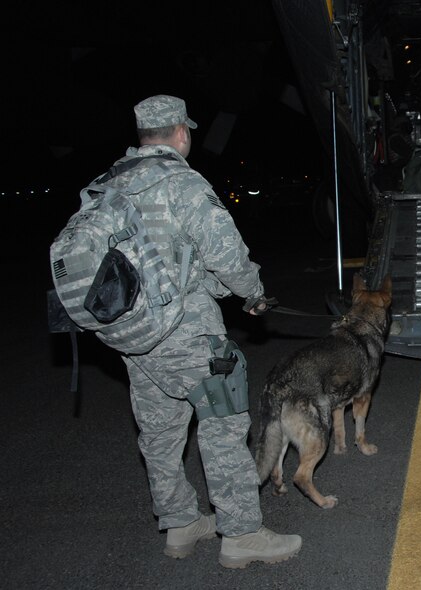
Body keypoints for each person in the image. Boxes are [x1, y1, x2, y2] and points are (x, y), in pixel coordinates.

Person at [114, 95, 302, 568]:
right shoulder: (181, 182)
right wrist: (253, 291)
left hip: (135, 337)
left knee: (159, 433)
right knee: (223, 428)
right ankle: (240, 534)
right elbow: (225, 252)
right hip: (187, 334)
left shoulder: (110, 184)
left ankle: (179, 525)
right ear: (180, 133)